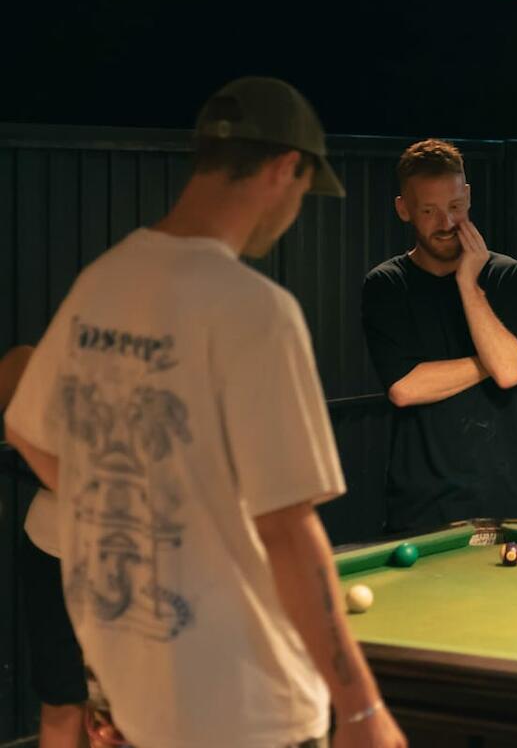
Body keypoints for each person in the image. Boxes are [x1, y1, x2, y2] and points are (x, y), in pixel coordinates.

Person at [3, 76, 405, 748]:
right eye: (303, 191)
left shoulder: (102, 282)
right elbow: (287, 527)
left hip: (139, 701)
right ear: (286, 168)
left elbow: (23, 425)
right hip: (250, 708)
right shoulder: (254, 310)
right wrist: (360, 708)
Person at [362, 139, 517, 534]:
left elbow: (509, 372)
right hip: (418, 508)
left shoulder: (509, 277)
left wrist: (469, 285)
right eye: (429, 211)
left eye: (455, 207)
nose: (446, 223)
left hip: (499, 502)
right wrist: (487, 363)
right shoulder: (387, 285)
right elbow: (405, 387)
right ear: (403, 209)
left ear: (468, 197)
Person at [4, 345, 87, 748]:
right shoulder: (47, 355)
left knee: (136, 707)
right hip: (55, 550)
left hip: (139, 556)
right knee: (63, 700)